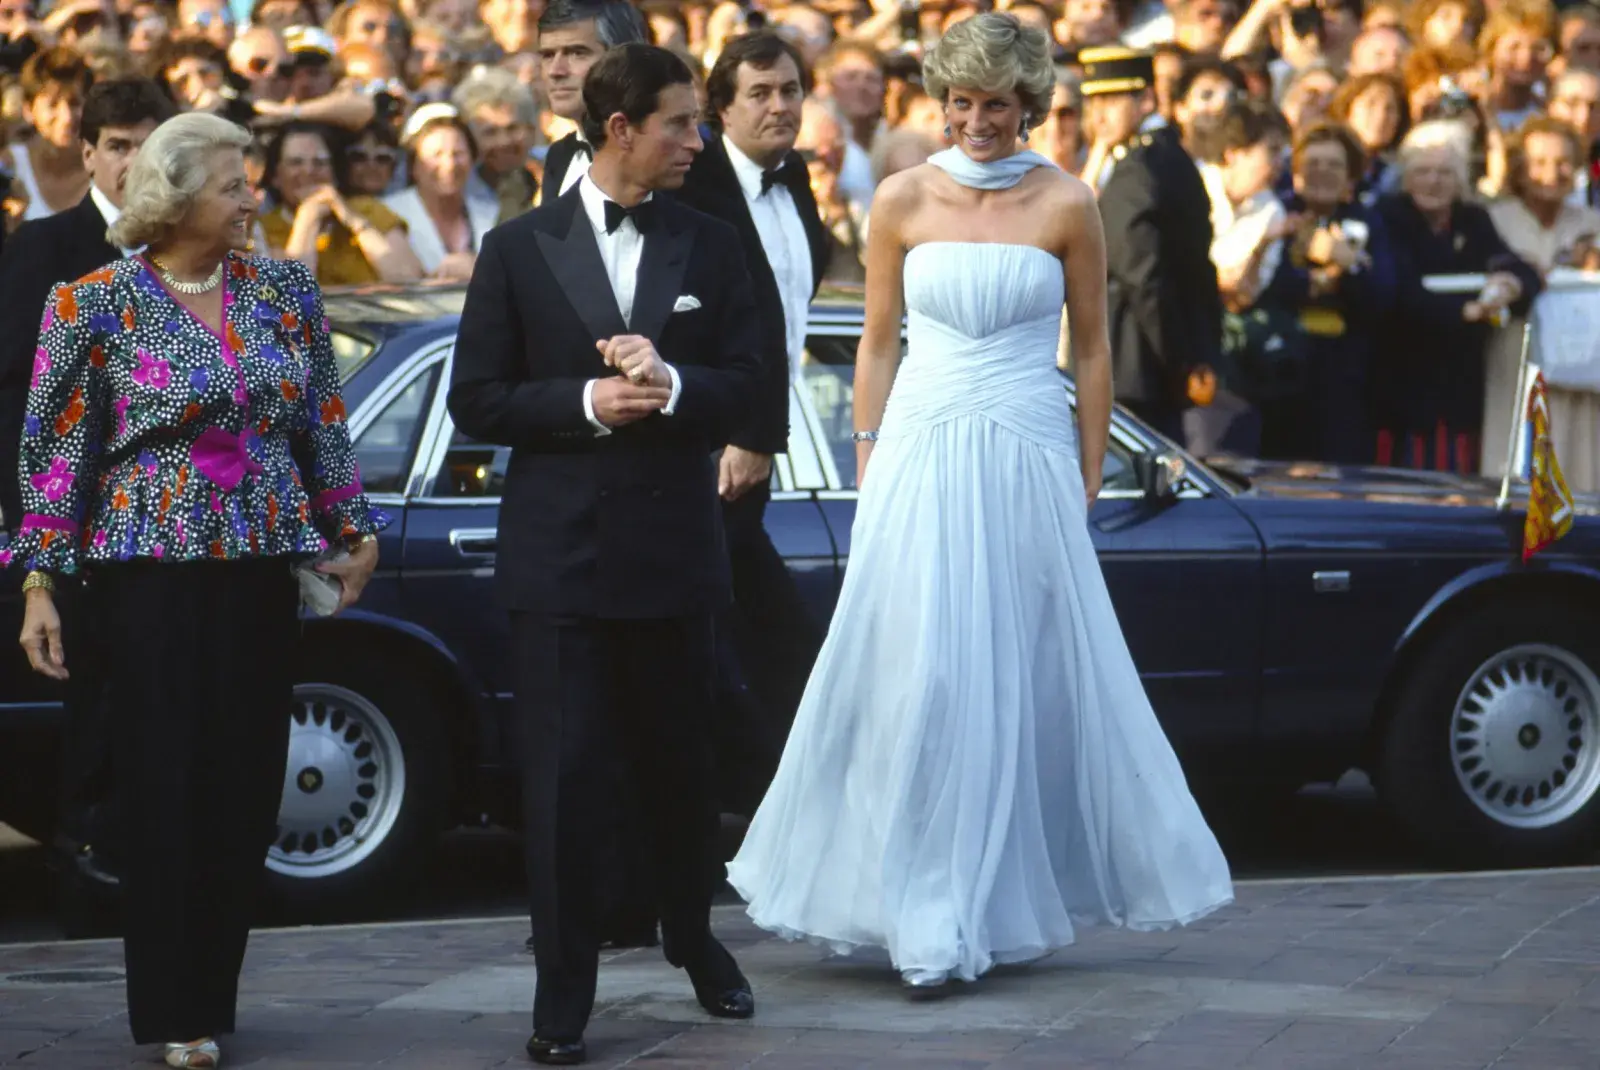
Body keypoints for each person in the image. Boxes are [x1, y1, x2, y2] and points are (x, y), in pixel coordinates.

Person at [727, 12, 1232, 999]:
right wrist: (867, 455)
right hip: (917, 444)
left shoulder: (1069, 201)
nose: (973, 120)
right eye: (957, 101)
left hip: (1028, 444)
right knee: (921, 673)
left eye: (993, 103)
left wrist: (1087, 466)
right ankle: (920, 905)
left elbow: (1090, 347)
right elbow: (876, 341)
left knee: (1012, 671)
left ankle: (980, 903)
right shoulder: (903, 197)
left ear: (1027, 104)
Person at [10, 112, 388, 1070]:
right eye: (233, 185)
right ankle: (174, 1008)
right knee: (166, 786)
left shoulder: (285, 295)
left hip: (259, 566)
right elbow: (56, 457)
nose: (252, 199)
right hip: (147, 577)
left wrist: (353, 529)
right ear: (175, 199)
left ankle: (211, 993)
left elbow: (322, 425)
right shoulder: (89, 302)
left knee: (243, 788)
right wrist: (41, 585)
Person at [447, 43, 763, 1067]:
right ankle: (563, 988)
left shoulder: (712, 241)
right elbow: (476, 399)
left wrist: (677, 383)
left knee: (683, 768)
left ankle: (694, 934)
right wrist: (585, 402)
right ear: (620, 129)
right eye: (680, 122)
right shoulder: (517, 247)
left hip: (675, 550)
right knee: (563, 781)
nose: (697, 140)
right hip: (560, 560)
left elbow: (761, 389)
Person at [0, 75, 175, 905]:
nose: (134, 161)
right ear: (88, 152)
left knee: (158, 718)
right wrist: (37, 542)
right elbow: (14, 405)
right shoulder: (43, 248)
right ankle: (86, 883)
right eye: (118, 144)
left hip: (175, 530)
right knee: (89, 716)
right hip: (71, 532)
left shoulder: (197, 251)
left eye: (150, 142)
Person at [675, 28, 831, 774]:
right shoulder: (695, 186)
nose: (780, 106)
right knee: (763, 649)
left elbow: (785, 310)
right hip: (709, 454)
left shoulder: (793, 176)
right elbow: (718, 328)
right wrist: (745, 431)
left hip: (755, 451)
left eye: (791, 90)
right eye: (761, 94)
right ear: (721, 110)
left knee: (762, 649)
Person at [1376, 120, 1539, 473]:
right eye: (1423, 171)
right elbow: (1400, 288)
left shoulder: (1473, 219)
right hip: (1401, 382)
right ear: (1406, 176)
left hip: (1458, 386)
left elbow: (1511, 264)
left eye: (1444, 173)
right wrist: (1466, 310)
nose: (1433, 181)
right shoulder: (1387, 218)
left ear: (1460, 180)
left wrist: (1510, 283)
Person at [1082, 46, 1222, 444]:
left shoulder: (1139, 168)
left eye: (1112, 100)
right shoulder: (1159, 157)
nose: (1100, 114)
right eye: (1094, 101)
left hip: (1135, 369)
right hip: (1145, 368)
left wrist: (1179, 360)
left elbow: (1143, 275)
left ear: (1145, 99)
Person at [259, 120, 424, 285]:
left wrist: (353, 220)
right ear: (276, 177)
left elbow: (410, 280)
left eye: (320, 162)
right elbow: (293, 295)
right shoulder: (263, 229)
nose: (308, 171)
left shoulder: (368, 209)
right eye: (296, 163)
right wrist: (308, 219)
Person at [535, 0, 650, 203]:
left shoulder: (666, 155)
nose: (556, 71)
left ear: (624, 60)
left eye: (577, 53)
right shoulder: (559, 156)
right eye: (547, 55)